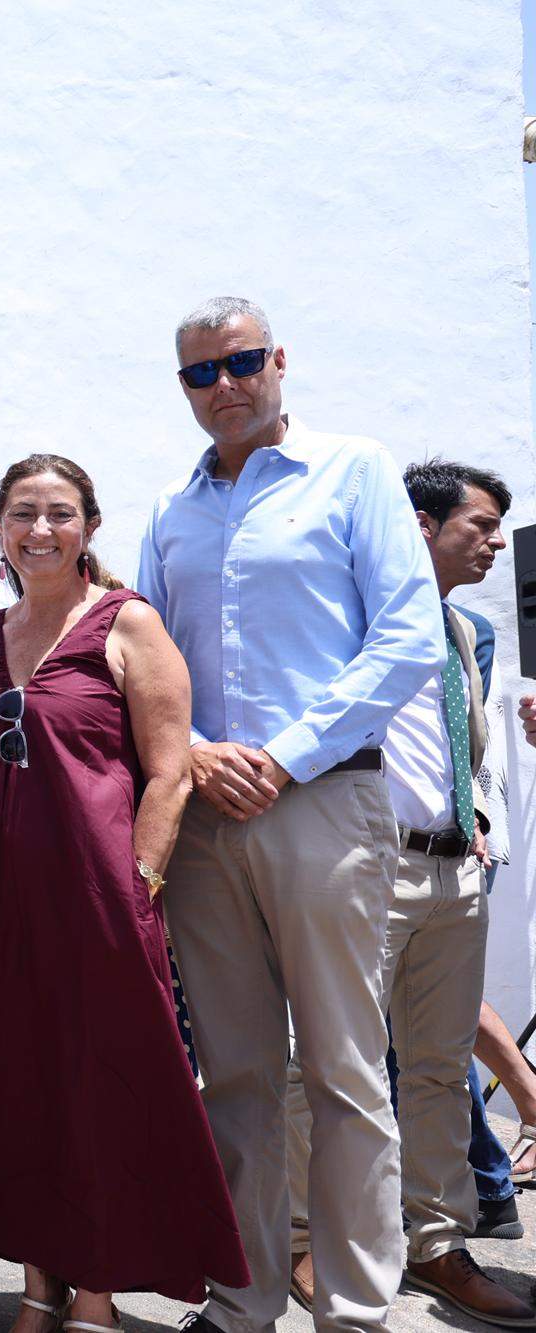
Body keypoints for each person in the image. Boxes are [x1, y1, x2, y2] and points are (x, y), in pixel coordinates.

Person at [0, 454, 248, 1328]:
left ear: (89, 526)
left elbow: (168, 776)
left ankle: (97, 1291)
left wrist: (140, 887)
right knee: (18, 1092)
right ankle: (40, 1286)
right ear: (0, 527)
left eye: (58, 514)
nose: (39, 530)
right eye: (22, 514)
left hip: (97, 898)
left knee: (100, 1091)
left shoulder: (128, 625)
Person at [136, 298, 440, 1333]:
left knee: (345, 1068)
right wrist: (195, 753)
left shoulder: (352, 471)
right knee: (233, 1078)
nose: (222, 384)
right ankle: (240, 1301)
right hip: (207, 820)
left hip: (322, 800)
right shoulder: (170, 511)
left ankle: (353, 1311)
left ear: (278, 360)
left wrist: (282, 751)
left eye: (239, 362)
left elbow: (406, 641)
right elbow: (146, 663)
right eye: (198, 373)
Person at [279, 460, 525, 1325]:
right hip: (369, 865)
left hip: (457, 870)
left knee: (433, 1066)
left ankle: (437, 1243)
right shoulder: (347, 618)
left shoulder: (463, 632)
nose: (498, 541)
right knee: (326, 1063)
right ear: (421, 525)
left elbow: (459, 745)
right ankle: (306, 1239)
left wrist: (476, 815)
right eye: (483, 523)